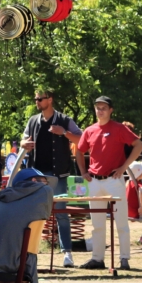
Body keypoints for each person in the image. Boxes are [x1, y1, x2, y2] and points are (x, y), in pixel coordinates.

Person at [74, 96, 141, 270]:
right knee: (96, 223)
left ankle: (124, 258)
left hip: (114, 180)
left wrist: (124, 167)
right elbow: (79, 151)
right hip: (94, 180)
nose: (100, 111)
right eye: (97, 108)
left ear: (111, 110)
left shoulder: (119, 128)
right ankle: (97, 258)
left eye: (104, 108)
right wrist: (83, 172)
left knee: (121, 221)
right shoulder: (89, 130)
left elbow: (138, 145)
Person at [20, 89, 82, 267]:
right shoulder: (33, 121)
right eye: (35, 99)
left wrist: (63, 133)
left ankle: (67, 253)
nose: (37, 102)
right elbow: (24, 138)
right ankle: (30, 253)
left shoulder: (64, 120)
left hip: (59, 175)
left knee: (61, 213)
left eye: (40, 99)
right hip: (36, 177)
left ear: (50, 99)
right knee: (34, 215)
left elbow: (82, 139)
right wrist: (24, 144)